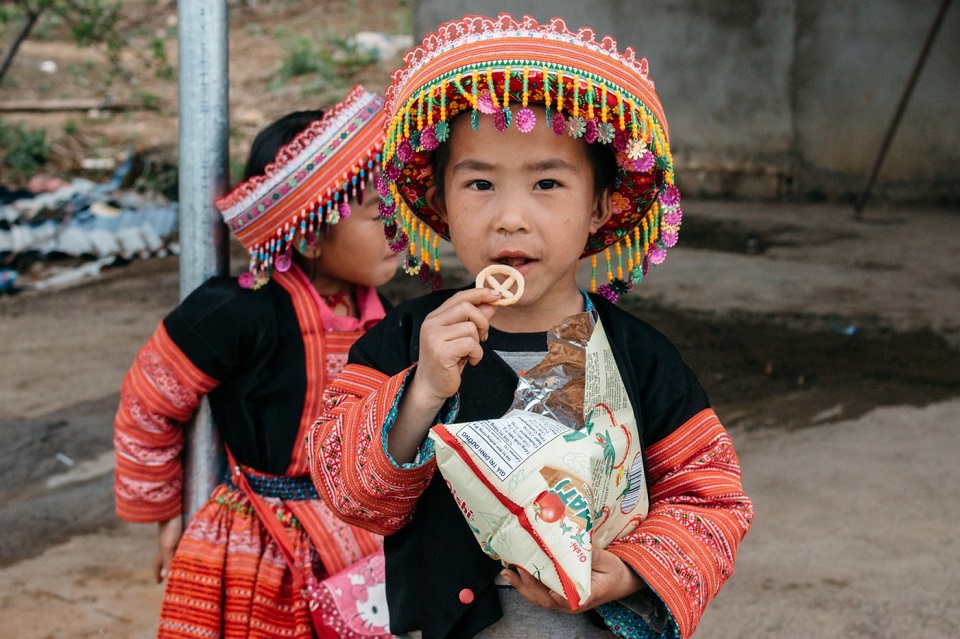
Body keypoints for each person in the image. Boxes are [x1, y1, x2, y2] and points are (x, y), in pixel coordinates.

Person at [308, 15, 754, 639]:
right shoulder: (404, 341)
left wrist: (624, 572)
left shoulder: (641, 360)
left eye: (547, 183)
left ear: (599, 206)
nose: (511, 217)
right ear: (439, 204)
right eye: (480, 183)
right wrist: (423, 390)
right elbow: (349, 494)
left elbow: (711, 499)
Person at [114, 85, 399, 638]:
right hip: (260, 547)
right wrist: (165, 511)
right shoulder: (238, 312)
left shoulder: (389, 319)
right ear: (312, 235)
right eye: (375, 213)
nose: (397, 226)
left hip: (360, 543)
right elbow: (148, 400)